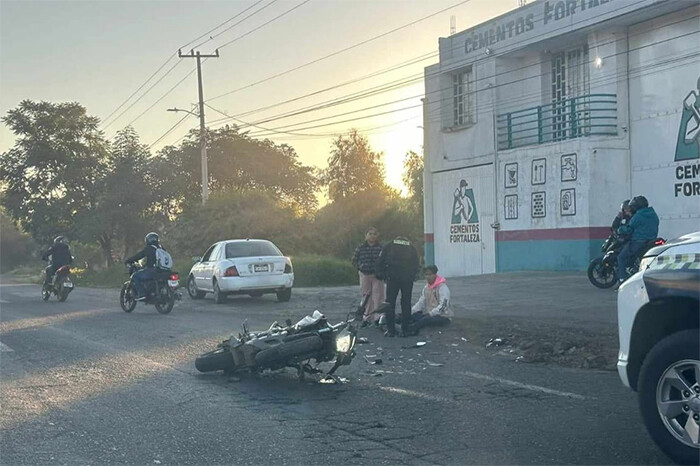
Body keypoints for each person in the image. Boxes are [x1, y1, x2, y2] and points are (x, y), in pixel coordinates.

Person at [375, 236, 420, 337]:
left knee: (389, 303)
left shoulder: (389, 245)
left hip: (392, 277)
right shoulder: (410, 246)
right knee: (406, 302)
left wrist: (380, 273)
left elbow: (380, 260)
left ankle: (391, 330)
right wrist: (414, 274)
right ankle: (405, 329)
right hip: (407, 278)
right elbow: (416, 262)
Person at [616, 195, 660, 284]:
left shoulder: (638, 216)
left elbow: (629, 229)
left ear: (636, 207)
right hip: (651, 241)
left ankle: (622, 280)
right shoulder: (653, 214)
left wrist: (620, 229)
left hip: (638, 242)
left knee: (621, 257)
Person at [351, 227, 385, 325]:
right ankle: (366, 317)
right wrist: (360, 266)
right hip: (364, 274)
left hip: (377, 276)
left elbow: (385, 260)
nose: (372, 236)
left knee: (378, 297)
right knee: (366, 297)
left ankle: (378, 318)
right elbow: (354, 260)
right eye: (370, 234)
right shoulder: (360, 247)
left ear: (377, 236)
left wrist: (382, 271)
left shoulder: (381, 248)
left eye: (374, 234)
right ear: (366, 235)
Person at [409, 265, 452, 334]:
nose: (428, 277)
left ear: (435, 274)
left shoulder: (442, 288)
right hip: (430, 314)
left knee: (424, 320)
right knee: (414, 316)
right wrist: (411, 311)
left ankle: (411, 330)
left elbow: (443, 305)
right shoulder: (426, 288)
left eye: (430, 274)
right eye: (426, 274)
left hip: (443, 316)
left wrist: (431, 313)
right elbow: (421, 302)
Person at [124, 232, 164, 301]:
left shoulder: (149, 248)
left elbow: (139, 256)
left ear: (148, 240)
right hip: (163, 271)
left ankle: (142, 293)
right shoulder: (161, 248)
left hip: (152, 270)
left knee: (135, 276)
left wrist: (128, 260)